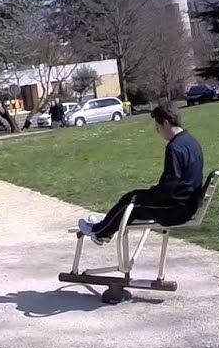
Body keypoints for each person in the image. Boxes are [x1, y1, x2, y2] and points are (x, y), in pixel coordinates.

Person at [78, 104, 205, 243]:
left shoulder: (174, 148)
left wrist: (153, 194)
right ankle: (104, 224)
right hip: (187, 203)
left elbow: (170, 184)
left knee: (131, 202)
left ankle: (100, 232)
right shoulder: (191, 141)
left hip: (175, 210)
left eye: (158, 127)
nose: (158, 131)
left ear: (166, 123)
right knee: (133, 197)